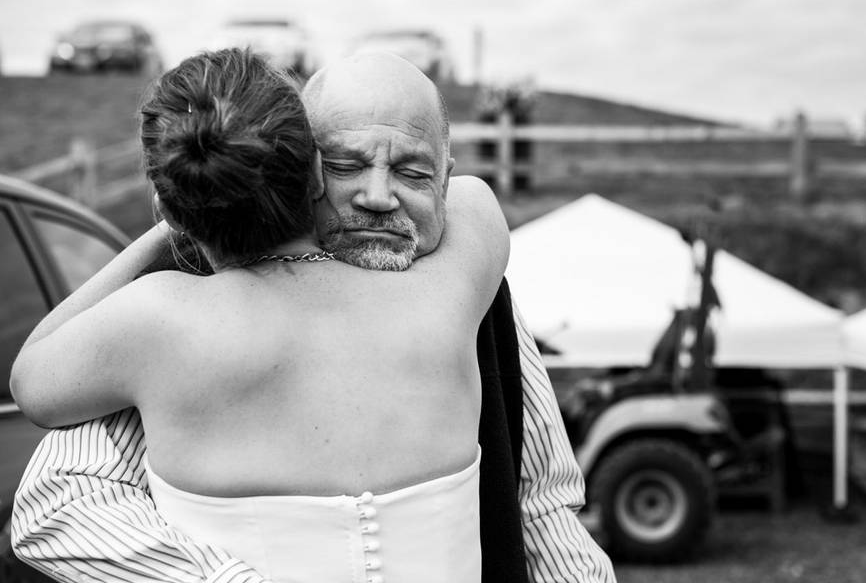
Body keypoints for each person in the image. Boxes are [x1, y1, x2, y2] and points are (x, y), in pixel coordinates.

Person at [12, 52, 616, 583]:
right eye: (348, 166)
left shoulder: (155, 321)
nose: (379, 198)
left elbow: (546, 510)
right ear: (310, 173)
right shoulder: (457, 286)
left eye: (412, 172)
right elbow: (58, 503)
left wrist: (179, 218)